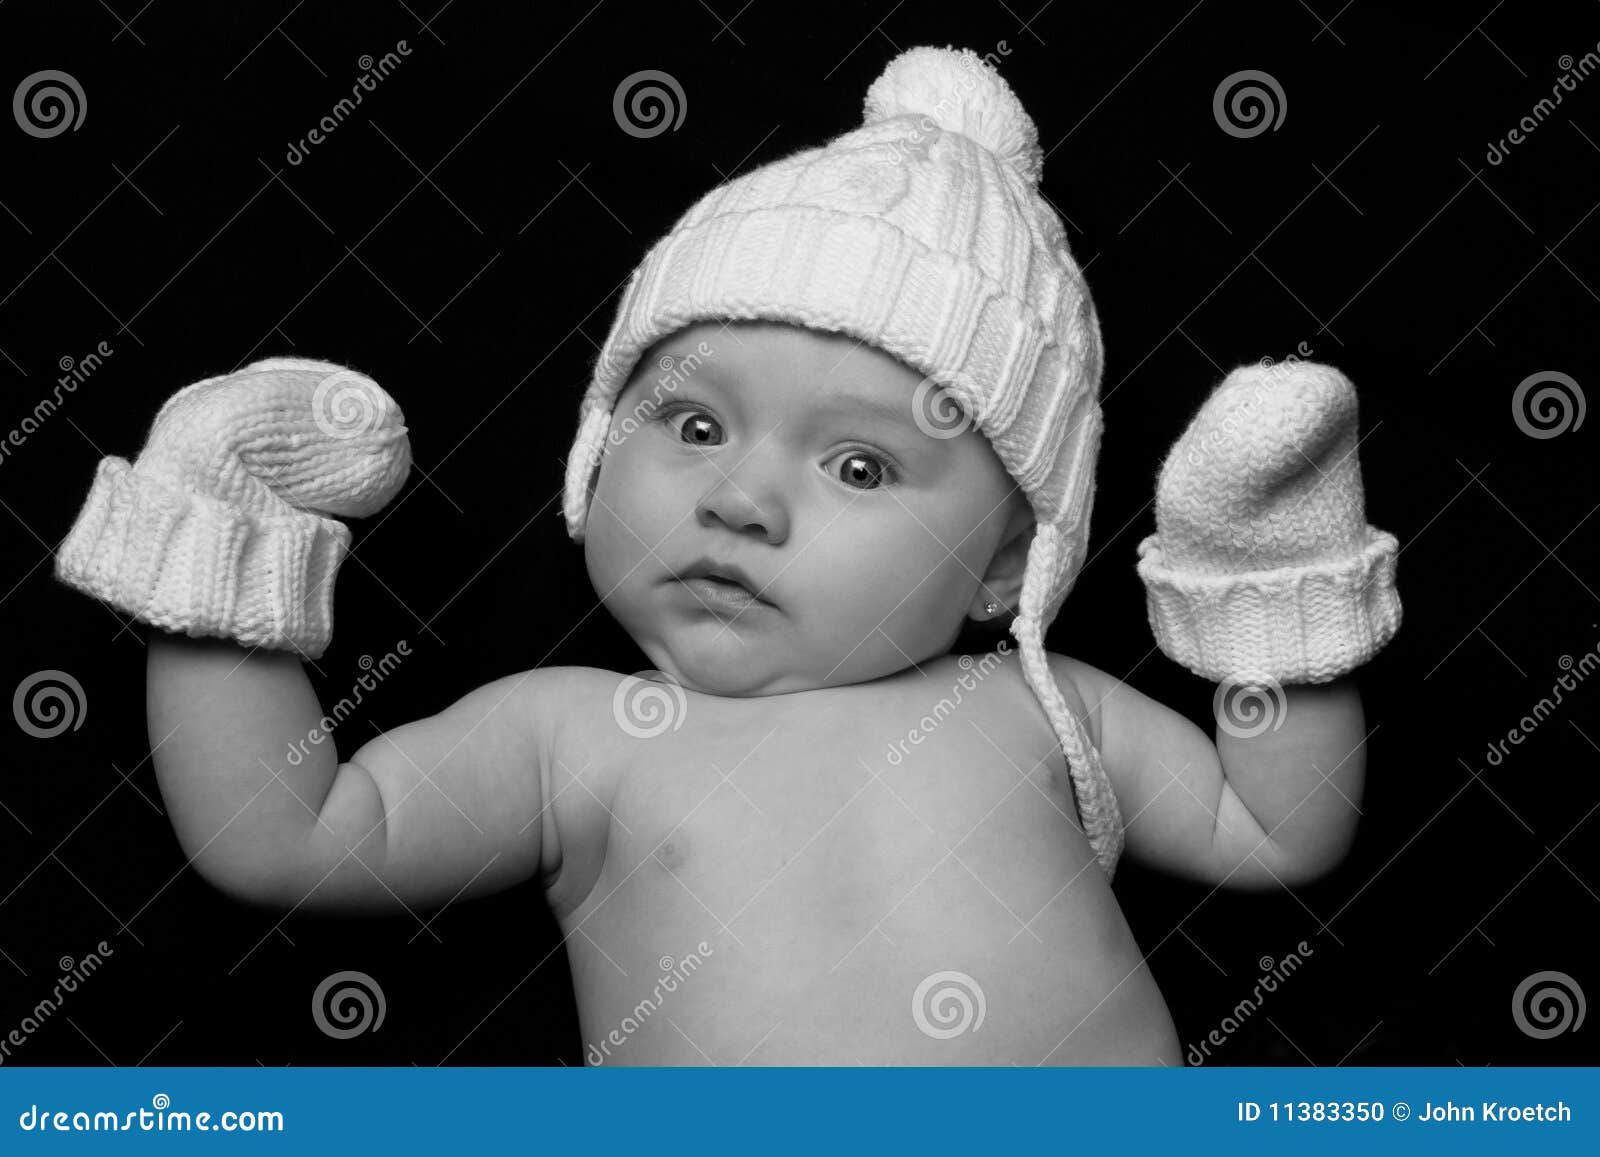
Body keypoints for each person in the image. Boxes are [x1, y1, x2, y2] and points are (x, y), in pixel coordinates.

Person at [53, 45, 1402, 1065]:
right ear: (597, 451)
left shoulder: (1045, 710)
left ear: (1009, 565)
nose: (743, 500)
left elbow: (1279, 830)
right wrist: (214, 541)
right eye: (693, 426)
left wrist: (1262, 578)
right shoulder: (571, 736)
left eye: (860, 466)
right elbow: (282, 838)